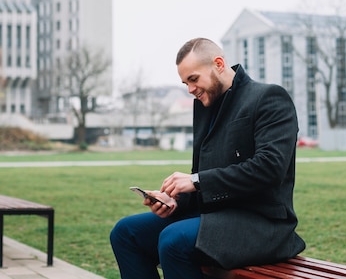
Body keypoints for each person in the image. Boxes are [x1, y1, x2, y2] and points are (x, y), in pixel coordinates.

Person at [110, 37, 306, 279]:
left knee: (174, 239)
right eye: (185, 83)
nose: (190, 89)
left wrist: (195, 180)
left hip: (262, 223)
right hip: (214, 218)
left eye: (193, 79)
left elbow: (269, 168)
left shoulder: (269, 98)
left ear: (219, 64)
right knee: (125, 232)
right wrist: (175, 203)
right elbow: (205, 181)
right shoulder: (205, 107)